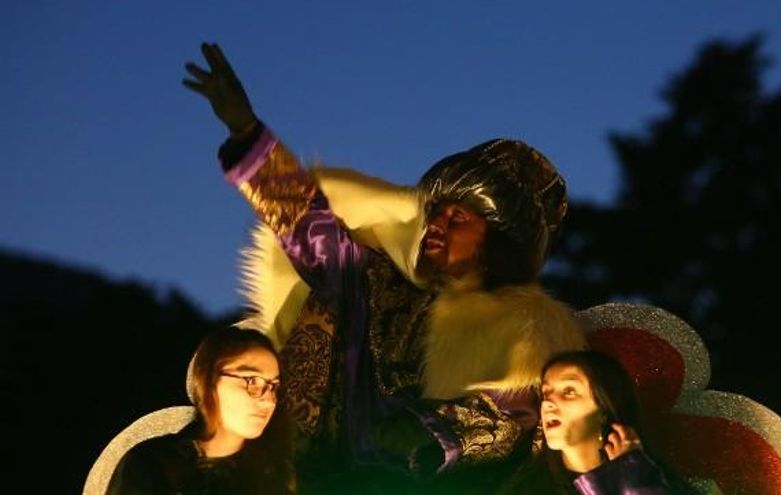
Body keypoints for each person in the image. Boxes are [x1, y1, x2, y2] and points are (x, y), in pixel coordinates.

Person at [183, 43, 586, 492]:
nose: (436, 225)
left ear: (498, 241)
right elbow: (308, 226)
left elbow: (511, 415)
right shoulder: (376, 283)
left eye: (458, 219)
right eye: (435, 213)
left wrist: (427, 433)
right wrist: (246, 132)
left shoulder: (526, 326)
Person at [106, 328, 292, 494]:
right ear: (209, 381)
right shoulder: (152, 466)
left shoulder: (273, 477)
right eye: (252, 381)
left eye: (273, 386)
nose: (268, 401)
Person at [502, 350, 675, 494]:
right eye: (546, 393)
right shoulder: (525, 487)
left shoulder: (646, 479)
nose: (548, 403)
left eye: (568, 391)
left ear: (604, 407)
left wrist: (633, 475)